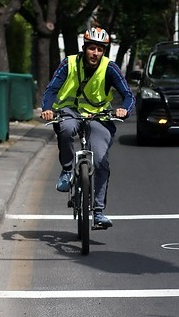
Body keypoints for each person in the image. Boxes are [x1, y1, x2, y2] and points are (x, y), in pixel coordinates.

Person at [41, 27, 135, 229]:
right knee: (66, 129)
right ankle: (67, 170)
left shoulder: (110, 68)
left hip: (99, 116)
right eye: (92, 48)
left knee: (101, 161)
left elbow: (128, 95)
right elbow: (52, 89)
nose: (95, 53)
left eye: (100, 50)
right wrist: (47, 109)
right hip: (69, 111)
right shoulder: (70, 63)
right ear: (84, 48)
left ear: (104, 51)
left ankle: (99, 211)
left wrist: (124, 110)